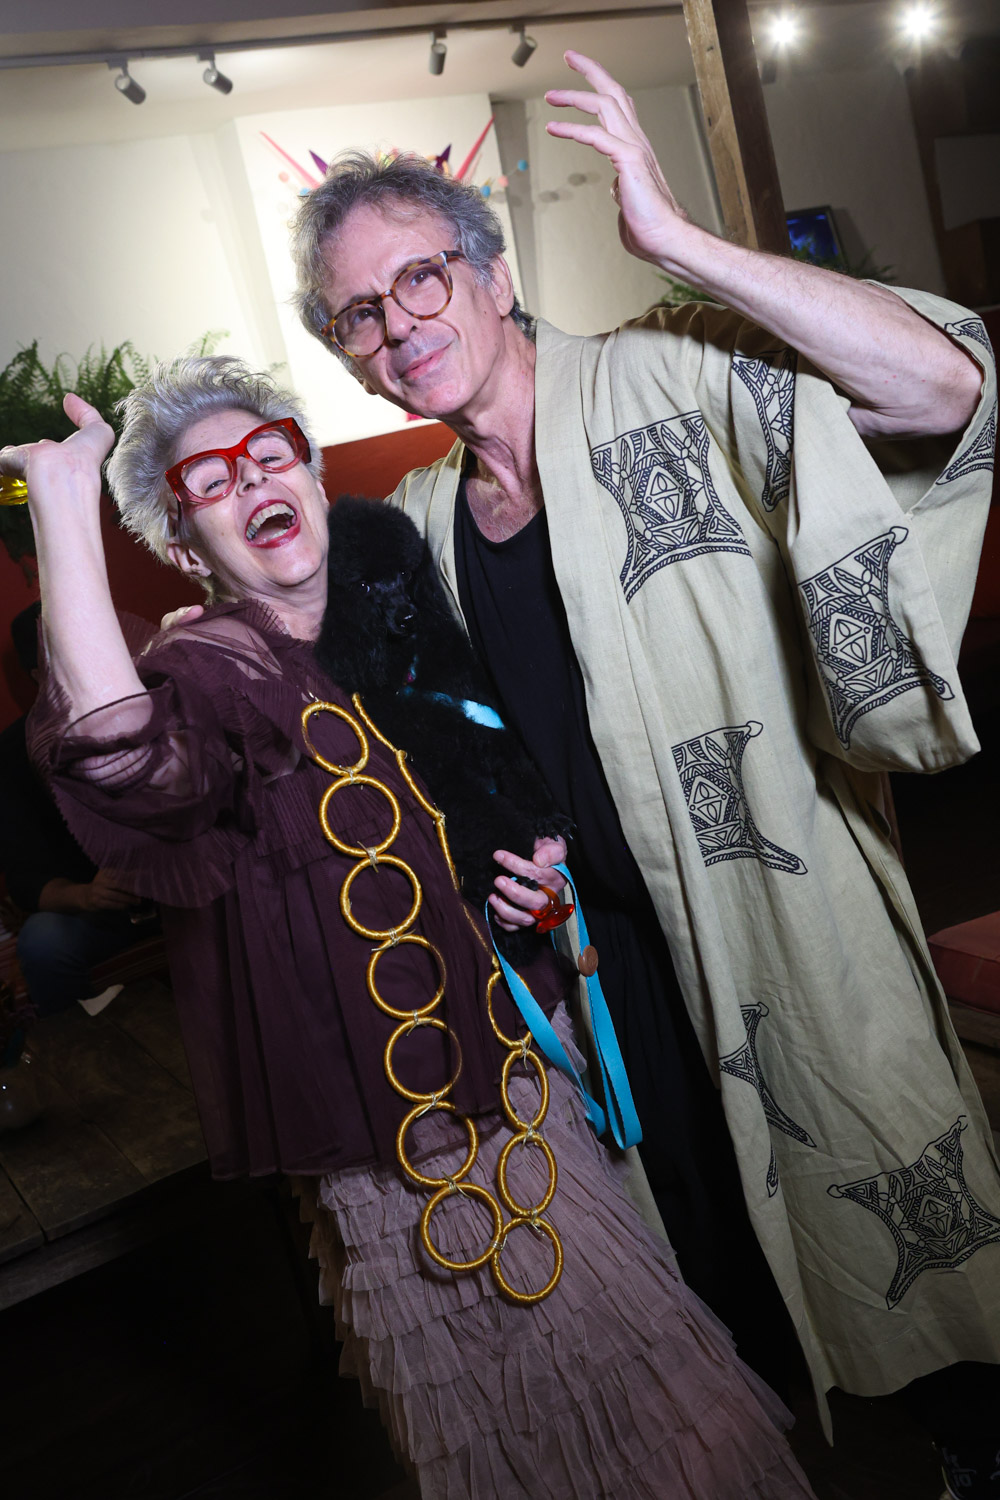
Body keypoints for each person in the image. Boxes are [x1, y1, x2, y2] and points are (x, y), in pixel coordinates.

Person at [289, 49, 1000, 1489]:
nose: (399, 323)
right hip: (601, 970)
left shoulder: (671, 366)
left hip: (781, 916)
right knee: (710, 1270)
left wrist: (679, 240)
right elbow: (417, 746)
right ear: (347, 352)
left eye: (420, 276)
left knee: (897, 1216)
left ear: (491, 274)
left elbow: (943, 390)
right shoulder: (415, 525)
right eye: (360, 312)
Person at [0, 357, 818, 1499]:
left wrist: (529, 885)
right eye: (212, 481)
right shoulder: (212, 668)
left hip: (517, 1074)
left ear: (313, 477)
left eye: (271, 453)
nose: (254, 480)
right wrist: (62, 502)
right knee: (558, 1412)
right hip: (395, 1127)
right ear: (186, 549)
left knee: (632, 1380)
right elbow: (123, 759)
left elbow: (457, 820)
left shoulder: (385, 625)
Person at [0, 602, 147, 1018]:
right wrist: (87, 895)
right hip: (100, 913)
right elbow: (26, 881)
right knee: (43, 941)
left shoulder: (150, 702)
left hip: (186, 893)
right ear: (37, 675)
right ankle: (81, 1047)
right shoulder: (12, 754)